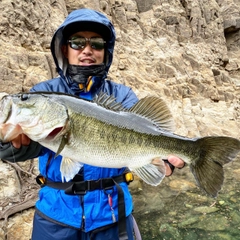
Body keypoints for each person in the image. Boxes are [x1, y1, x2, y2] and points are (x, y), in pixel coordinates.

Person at [0, 8, 185, 240]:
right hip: (55, 218)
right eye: (77, 42)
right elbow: (19, 148)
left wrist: (164, 156)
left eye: (96, 43)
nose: (87, 50)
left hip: (113, 216)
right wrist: (8, 142)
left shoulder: (122, 95)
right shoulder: (43, 93)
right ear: (64, 49)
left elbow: (148, 132)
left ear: (105, 51)